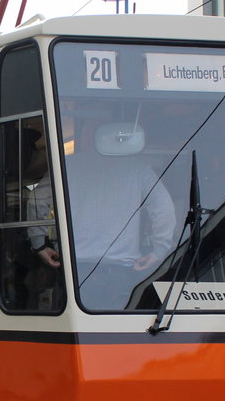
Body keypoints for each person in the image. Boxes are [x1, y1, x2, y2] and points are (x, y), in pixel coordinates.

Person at [66, 121, 176, 309]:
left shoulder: (67, 166)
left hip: (75, 268)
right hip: (119, 271)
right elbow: (163, 208)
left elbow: (39, 202)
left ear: (88, 139)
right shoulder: (138, 168)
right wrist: (159, 251)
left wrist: (39, 243)